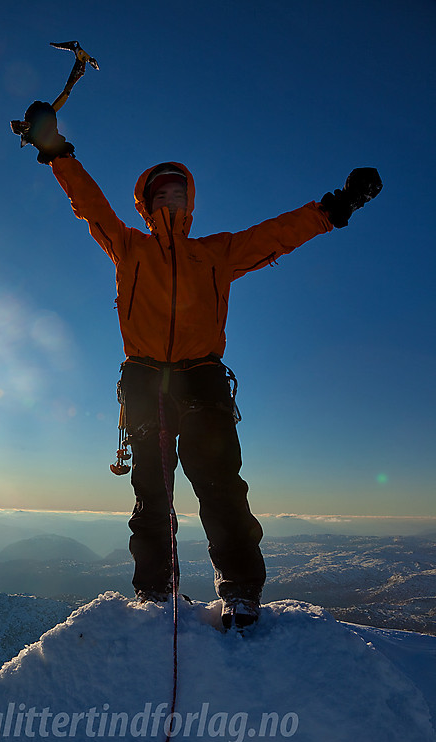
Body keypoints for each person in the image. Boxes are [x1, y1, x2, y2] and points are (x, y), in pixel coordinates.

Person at [20, 101, 383, 629]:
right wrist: (56, 152)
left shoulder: (217, 252)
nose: (173, 198)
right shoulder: (129, 247)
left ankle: (239, 589)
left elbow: (276, 234)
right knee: (152, 489)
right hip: (147, 380)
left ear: (191, 202)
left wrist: (336, 206)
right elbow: (91, 205)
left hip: (202, 378)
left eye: (180, 192)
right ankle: (154, 591)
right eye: (163, 192)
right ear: (147, 204)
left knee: (220, 486)